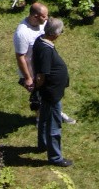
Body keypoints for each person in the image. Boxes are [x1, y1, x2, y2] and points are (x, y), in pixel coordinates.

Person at [32, 19, 73, 168]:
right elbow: (41, 75)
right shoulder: (46, 50)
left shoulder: (40, 40)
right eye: (61, 32)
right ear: (55, 34)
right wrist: (40, 89)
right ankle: (55, 157)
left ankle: (42, 144)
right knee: (54, 125)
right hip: (51, 93)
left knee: (44, 118)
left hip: (49, 91)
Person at [14, 2, 48, 111]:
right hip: (32, 71)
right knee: (39, 97)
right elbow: (20, 57)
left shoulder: (42, 23)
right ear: (35, 16)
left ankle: (55, 112)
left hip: (43, 66)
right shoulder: (22, 33)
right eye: (44, 16)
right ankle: (40, 120)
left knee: (48, 93)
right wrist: (28, 78)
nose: (47, 18)